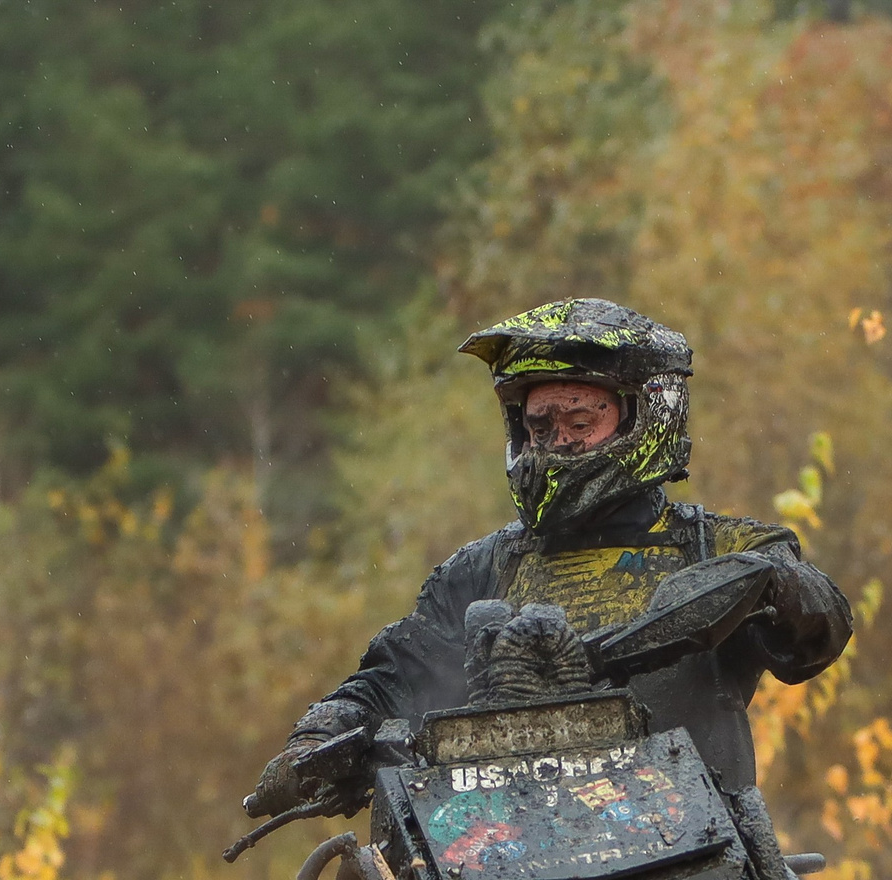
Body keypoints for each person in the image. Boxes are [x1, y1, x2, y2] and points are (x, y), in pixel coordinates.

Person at [246, 298, 853, 819]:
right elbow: (400, 671)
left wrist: (781, 586)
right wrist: (323, 734)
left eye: (581, 420)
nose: (559, 441)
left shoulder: (720, 546)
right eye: (540, 425)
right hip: (505, 871)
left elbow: (821, 628)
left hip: (698, 862)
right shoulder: (483, 569)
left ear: (647, 413)